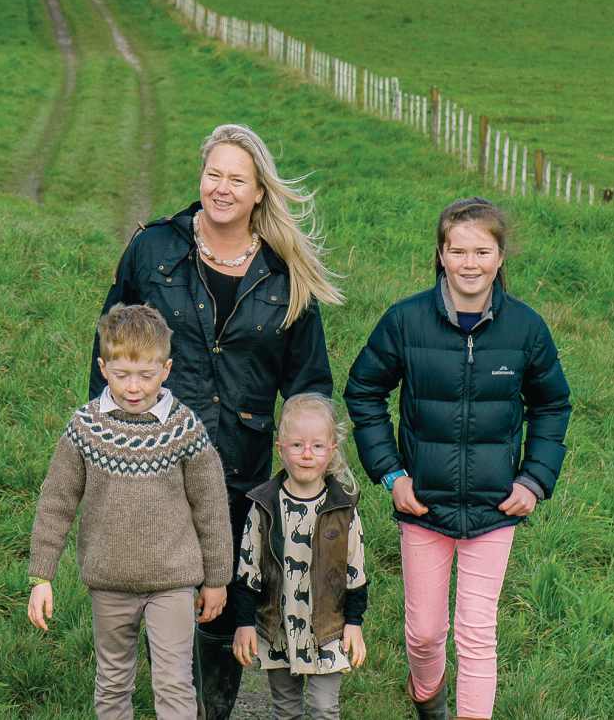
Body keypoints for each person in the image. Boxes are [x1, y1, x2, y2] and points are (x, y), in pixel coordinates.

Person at [90, 123, 343, 720]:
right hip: (154, 458)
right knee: (160, 589)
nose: (221, 188)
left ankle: (212, 708)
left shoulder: (285, 274)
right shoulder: (154, 248)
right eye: (213, 174)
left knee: (225, 598)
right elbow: (110, 346)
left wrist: (309, 463)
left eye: (238, 179)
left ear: (259, 192)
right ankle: (170, 698)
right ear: (199, 177)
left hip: (242, 464)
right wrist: (104, 437)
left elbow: (309, 383)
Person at [344, 197, 571, 720]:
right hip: (423, 504)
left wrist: (533, 480)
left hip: (496, 507)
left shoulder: (526, 329)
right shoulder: (405, 321)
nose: (471, 263)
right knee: (425, 634)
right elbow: (363, 391)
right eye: (458, 250)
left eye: (482, 251)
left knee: (476, 634)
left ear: (500, 256)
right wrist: (391, 474)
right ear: (441, 255)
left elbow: (552, 404)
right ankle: (427, 695)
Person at [29, 303, 232, 720]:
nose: (134, 387)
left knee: (174, 682)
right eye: (122, 375)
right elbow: (56, 502)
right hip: (109, 582)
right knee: (113, 681)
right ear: (103, 368)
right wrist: (41, 575)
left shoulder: (184, 429)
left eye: (146, 375)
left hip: (172, 583)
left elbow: (211, 506)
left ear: (166, 369)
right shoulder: (85, 427)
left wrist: (217, 579)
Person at [231, 393, 367, 720]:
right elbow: (248, 571)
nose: (307, 454)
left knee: (324, 707)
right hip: (280, 626)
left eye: (317, 446)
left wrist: (354, 623)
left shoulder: (343, 509)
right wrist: (244, 624)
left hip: (328, 627)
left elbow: (355, 572)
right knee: (286, 708)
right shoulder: (264, 507)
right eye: (297, 445)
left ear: (332, 450)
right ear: (280, 448)